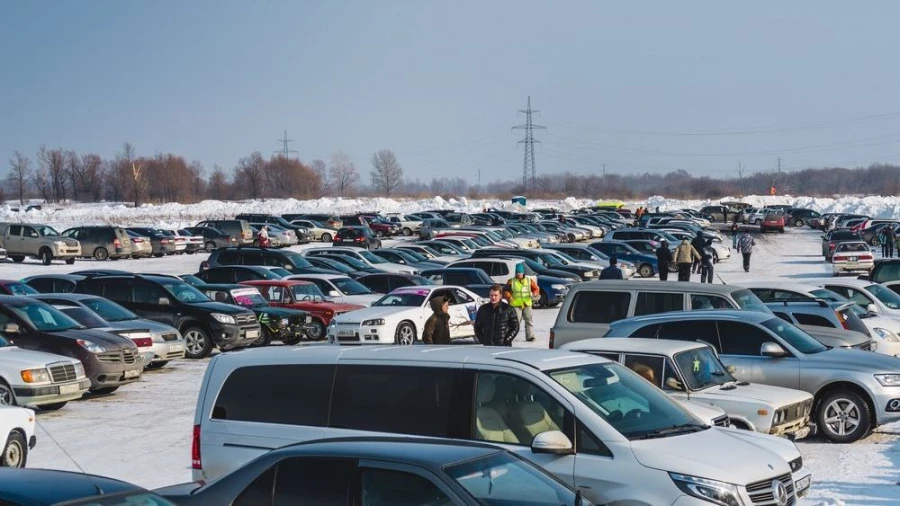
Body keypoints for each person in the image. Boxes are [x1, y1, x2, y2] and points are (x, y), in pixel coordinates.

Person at [504, 264, 539, 342]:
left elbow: (536, 288)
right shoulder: (511, 281)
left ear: (523, 273)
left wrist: (535, 293)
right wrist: (509, 297)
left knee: (529, 320)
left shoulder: (529, 280)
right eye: (517, 272)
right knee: (515, 322)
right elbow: (505, 291)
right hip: (516, 304)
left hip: (527, 304)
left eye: (520, 272)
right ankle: (509, 335)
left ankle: (530, 336)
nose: (518, 274)